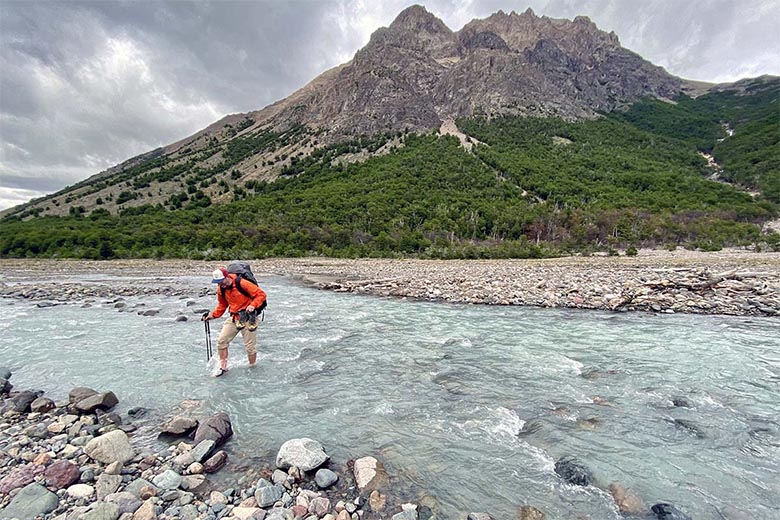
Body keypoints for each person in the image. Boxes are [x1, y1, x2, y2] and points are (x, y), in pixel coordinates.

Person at [202, 267, 267, 376]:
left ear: (227, 277)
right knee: (221, 341)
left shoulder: (242, 283)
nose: (220, 284)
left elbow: (261, 295)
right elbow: (222, 305)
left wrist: (253, 305)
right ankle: (223, 366)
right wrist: (212, 315)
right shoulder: (221, 289)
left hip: (249, 318)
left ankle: (252, 368)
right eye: (217, 283)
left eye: (221, 281)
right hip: (234, 317)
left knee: (250, 348)